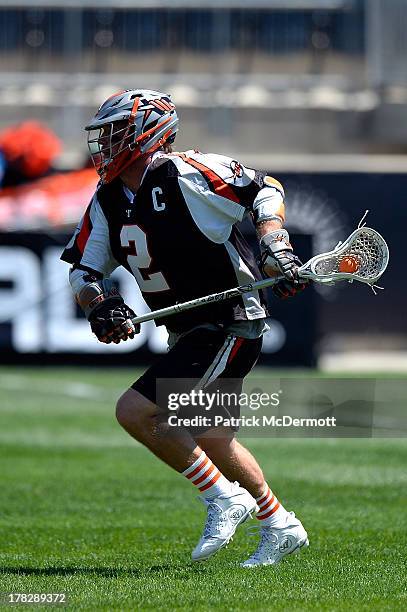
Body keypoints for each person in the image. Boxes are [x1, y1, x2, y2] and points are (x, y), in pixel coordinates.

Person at [61, 89, 309, 567]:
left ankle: (223, 498)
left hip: (228, 322)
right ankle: (280, 524)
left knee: (136, 411)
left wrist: (275, 243)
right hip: (188, 329)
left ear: (147, 132)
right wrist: (99, 305)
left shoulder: (187, 172)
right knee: (215, 439)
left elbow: (264, 187)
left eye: (114, 133)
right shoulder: (108, 199)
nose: (104, 144)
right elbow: (84, 271)